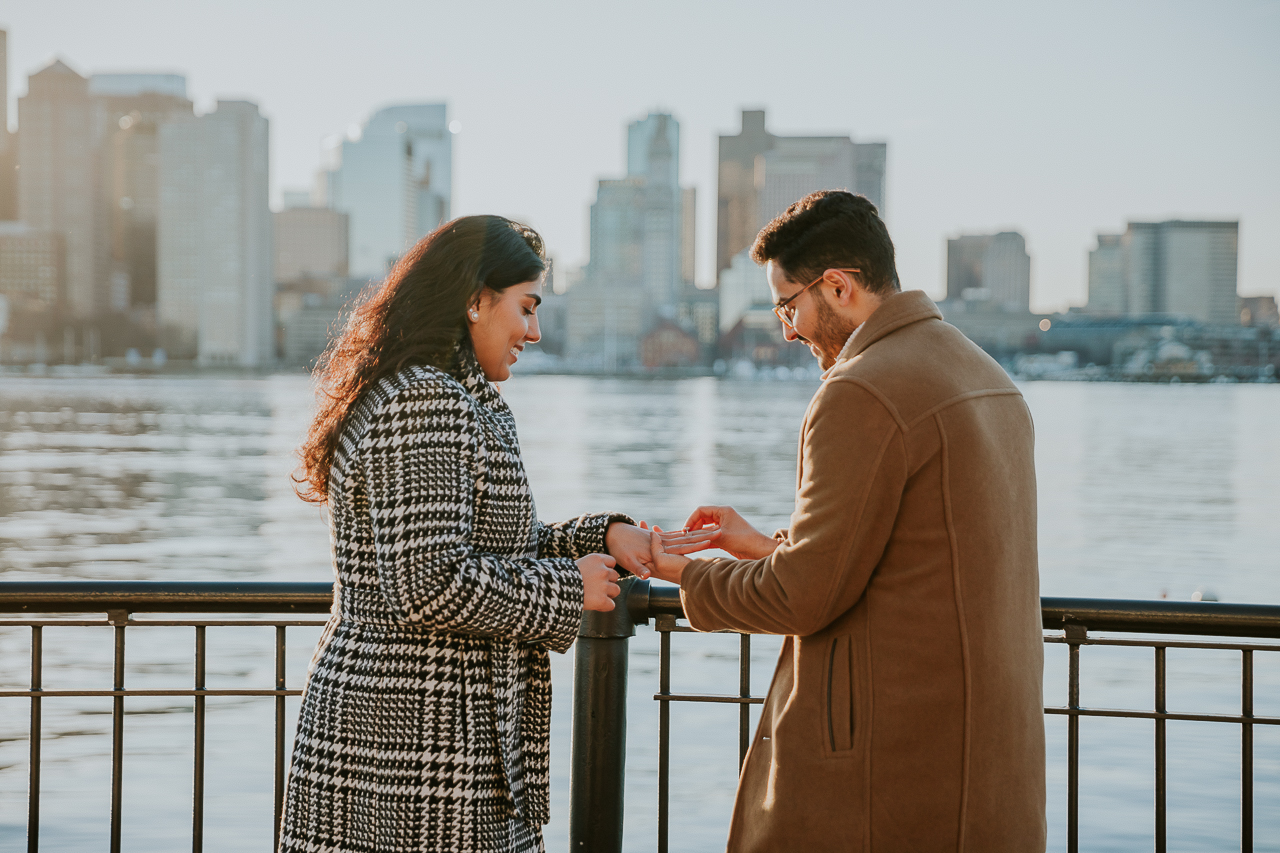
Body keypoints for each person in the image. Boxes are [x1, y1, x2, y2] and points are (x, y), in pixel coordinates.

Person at [280, 215, 714, 853]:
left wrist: (605, 536)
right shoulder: (427, 400)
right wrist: (570, 588)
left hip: (418, 739)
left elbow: (484, 546)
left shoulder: (444, 393)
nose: (534, 332)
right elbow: (427, 583)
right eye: (526, 307)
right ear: (475, 300)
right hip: (410, 747)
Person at [648, 191, 1046, 851]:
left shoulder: (861, 387)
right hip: (987, 763)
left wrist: (687, 574)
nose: (787, 329)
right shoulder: (988, 378)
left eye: (789, 304)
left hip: (880, 778)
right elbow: (911, 552)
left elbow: (803, 594)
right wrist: (761, 544)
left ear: (838, 286)